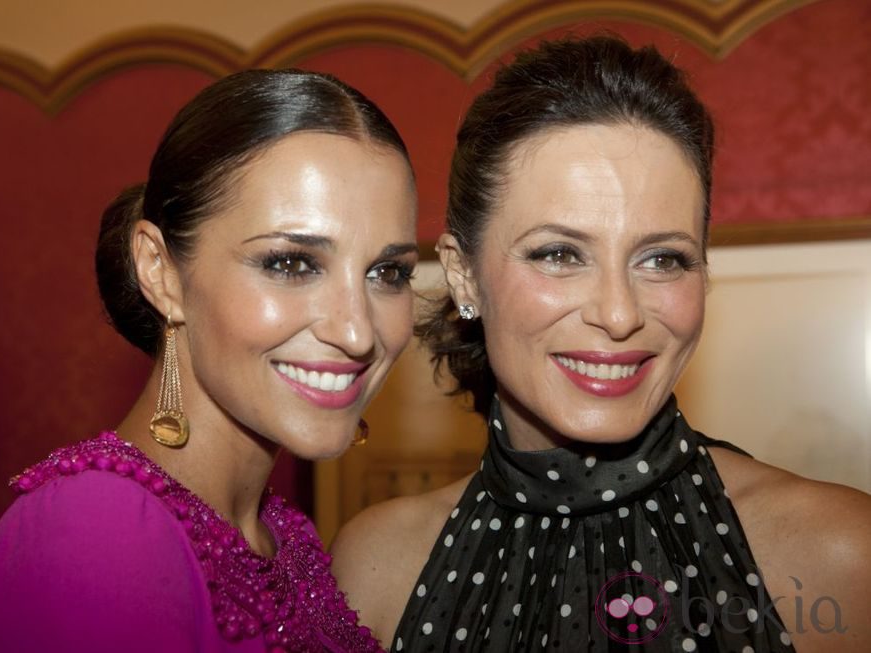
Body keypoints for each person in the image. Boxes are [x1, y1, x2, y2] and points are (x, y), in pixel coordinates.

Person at [331, 36, 871, 652]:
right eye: (559, 254)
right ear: (463, 275)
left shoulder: (838, 554)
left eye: (662, 259)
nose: (619, 315)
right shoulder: (374, 569)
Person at [0, 68, 418, 652]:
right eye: (290, 264)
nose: (356, 332)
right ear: (161, 271)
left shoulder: (283, 534)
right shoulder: (95, 531)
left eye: (387, 273)